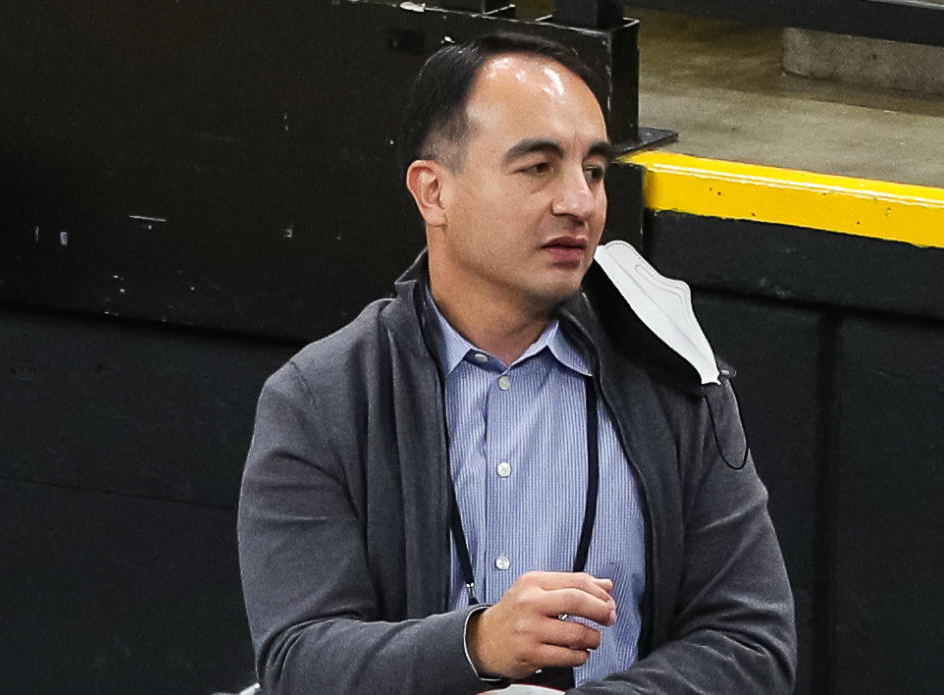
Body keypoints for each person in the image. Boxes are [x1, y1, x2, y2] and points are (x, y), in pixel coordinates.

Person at [237, 32, 795, 694]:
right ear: (433, 192)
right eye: (538, 168)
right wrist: (474, 643)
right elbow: (300, 659)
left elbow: (751, 643)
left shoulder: (676, 378)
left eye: (593, 170)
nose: (580, 203)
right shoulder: (322, 398)